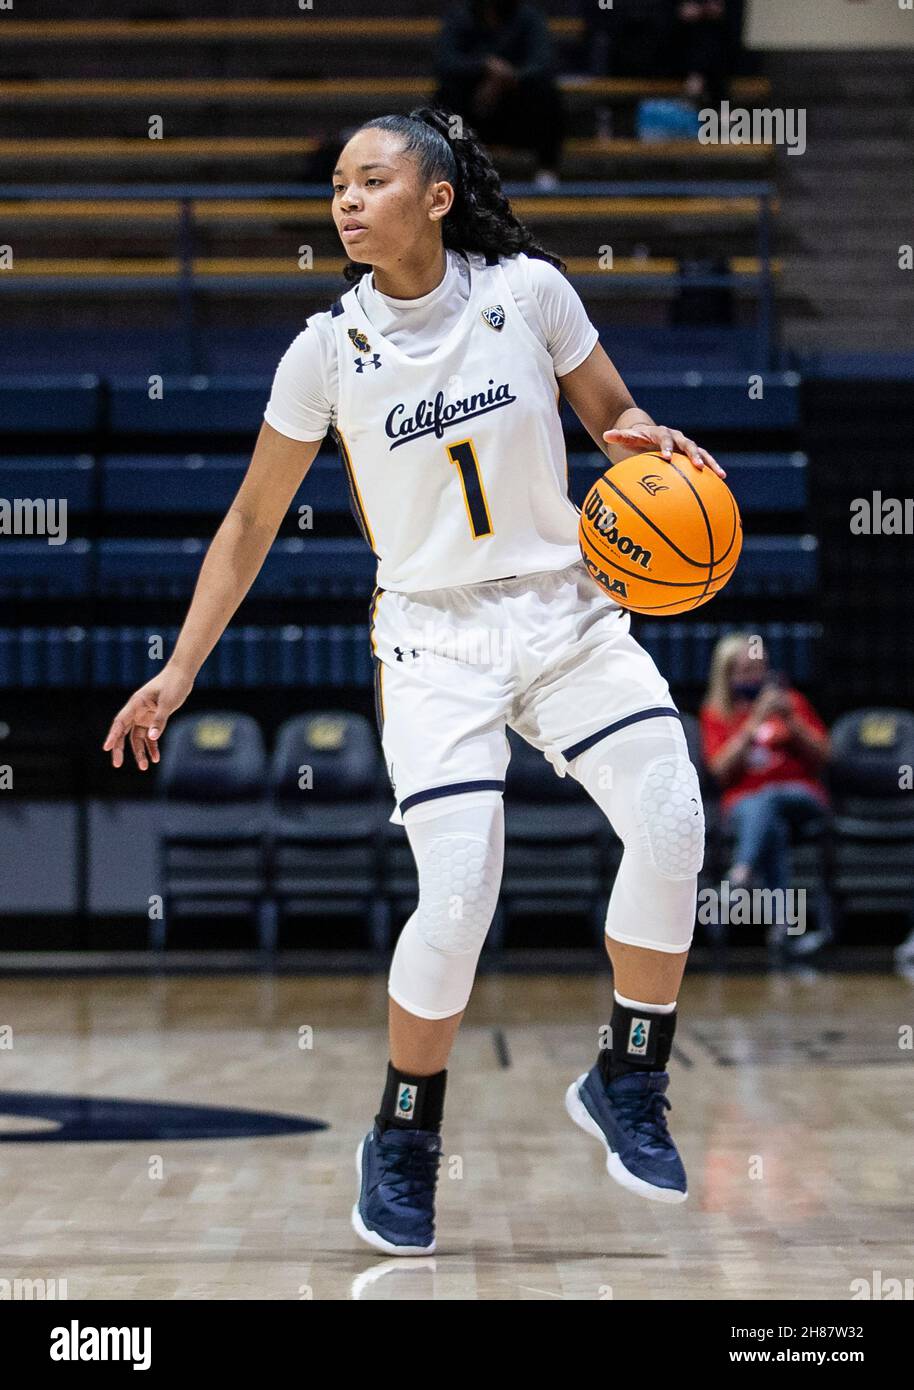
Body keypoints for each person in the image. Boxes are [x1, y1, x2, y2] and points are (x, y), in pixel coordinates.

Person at [103, 106, 723, 1255]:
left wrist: (649, 440)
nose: (344, 200)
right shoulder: (325, 350)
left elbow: (612, 417)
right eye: (335, 183)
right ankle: (402, 1133)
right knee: (456, 896)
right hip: (433, 641)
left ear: (435, 197)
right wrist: (176, 670)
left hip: (567, 612)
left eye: (370, 179)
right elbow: (248, 523)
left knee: (673, 815)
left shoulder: (528, 293)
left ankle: (626, 1077)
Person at [700, 634, 832, 950]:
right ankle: (781, 929)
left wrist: (791, 721)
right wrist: (755, 721)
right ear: (727, 675)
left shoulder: (792, 703)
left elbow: (826, 757)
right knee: (771, 824)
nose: (755, 677)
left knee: (769, 798)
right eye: (746, 671)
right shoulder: (717, 713)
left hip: (801, 797)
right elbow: (719, 770)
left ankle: (740, 876)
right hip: (746, 807)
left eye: (760, 669)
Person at [435, 0, 565, 188]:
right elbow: (445, 63)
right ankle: (456, 167)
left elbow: (542, 65)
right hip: (471, 116)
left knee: (547, 94)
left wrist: (507, 78)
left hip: (517, 114)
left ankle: (547, 170)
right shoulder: (460, 17)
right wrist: (484, 66)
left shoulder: (529, 18)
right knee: (447, 99)